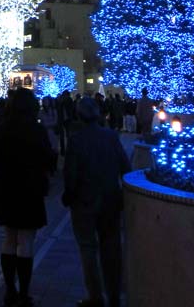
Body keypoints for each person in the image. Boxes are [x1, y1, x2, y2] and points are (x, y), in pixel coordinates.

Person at [63, 96, 131, 307]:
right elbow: (125, 167)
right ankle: (113, 295)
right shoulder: (111, 136)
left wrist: (69, 195)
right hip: (110, 199)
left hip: (84, 201)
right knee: (111, 248)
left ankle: (95, 296)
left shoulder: (76, 140)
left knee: (88, 248)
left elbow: (71, 174)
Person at [0, 87, 55, 307]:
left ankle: (9, 290)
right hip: (30, 189)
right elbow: (48, 158)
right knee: (26, 241)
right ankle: (24, 292)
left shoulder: (3, 128)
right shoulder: (35, 129)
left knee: (9, 238)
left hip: (7, 187)